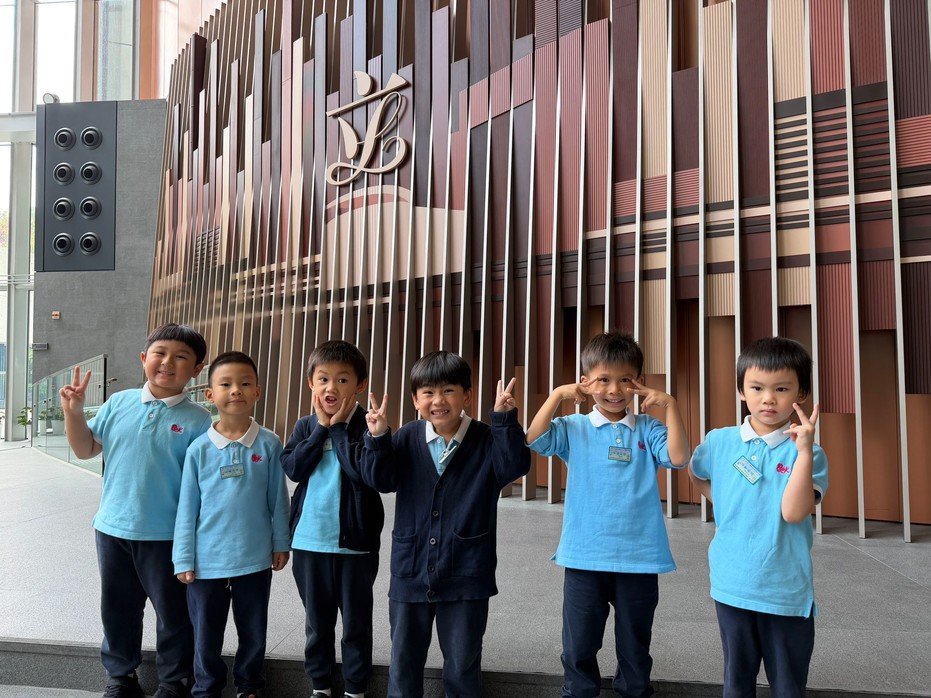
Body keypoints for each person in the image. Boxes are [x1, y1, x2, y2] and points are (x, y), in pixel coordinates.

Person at [526, 331, 691, 698]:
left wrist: (671, 406)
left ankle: (634, 690)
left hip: (639, 557)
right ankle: (578, 691)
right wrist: (557, 395)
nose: (614, 389)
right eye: (603, 379)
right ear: (585, 382)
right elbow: (534, 439)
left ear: (639, 382)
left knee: (635, 643)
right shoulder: (574, 427)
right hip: (585, 555)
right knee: (579, 643)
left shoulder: (649, 428)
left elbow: (679, 458)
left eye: (625, 380)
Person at [361, 351, 531, 697]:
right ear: (415, 400)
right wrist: (378, 438)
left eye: (448, 391)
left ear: (467, 395)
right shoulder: (406, 437)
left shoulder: (486, 438)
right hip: (411, 571)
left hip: (466, 573)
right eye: (428, 392)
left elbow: (514, 466)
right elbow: (381, 480)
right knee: (403, 663)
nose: (438, 401)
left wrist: (503, 420)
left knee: (462, 665)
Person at [60, 323, 212, 698]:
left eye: (181, 357)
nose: (167, 362)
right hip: (112, 529)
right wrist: (73, 412)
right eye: (160, 353)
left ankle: (174, 681)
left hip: (167, 536)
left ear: (197, 369)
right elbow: (85, 449)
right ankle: (121, 677)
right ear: (144, 358)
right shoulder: (118, 403)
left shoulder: (199, 420)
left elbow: (201, 486)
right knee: (118, 609)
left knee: (173, 613)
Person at [689, 336, 827, 698]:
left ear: (801, 394)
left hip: (785, 591)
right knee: (736, 683)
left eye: (781, 389)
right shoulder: (719, 441)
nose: (768, 398)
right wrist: (722, 501)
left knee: (788, 687)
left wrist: (803, 453)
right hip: (732, 584)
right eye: (757, 387)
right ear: (741, 391)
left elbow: (793, 512)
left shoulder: (810, 453)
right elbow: (696, 471)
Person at [173, 351, 290, 698]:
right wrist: (183, 558)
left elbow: (278, 500)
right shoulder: (198, 450)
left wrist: (280, 543)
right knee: (206, 633)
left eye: (245, 383)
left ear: (257, 392)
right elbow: (187, 509)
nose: (236, 390)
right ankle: (206, 688)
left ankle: (249, 685)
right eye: (225, 384)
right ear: (210, 394)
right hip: (206, 563)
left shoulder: (269, 443)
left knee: (253, 629)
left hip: (254, 559)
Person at [280, 340, 384, 698]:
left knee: (356, 624)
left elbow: (363, 474)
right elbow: (293, 468)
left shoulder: (368, 426)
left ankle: (355, 688)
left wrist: (338, 429)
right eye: (323, 379)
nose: (331, 388)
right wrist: (321, 430)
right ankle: (320, 686)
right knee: (317, 623)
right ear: (311, 383)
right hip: (309, 543)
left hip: (356, 547)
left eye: (342, 380)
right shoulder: (305, 425)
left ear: (359, 385)